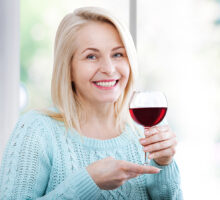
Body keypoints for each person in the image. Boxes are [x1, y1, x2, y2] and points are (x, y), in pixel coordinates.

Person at [0, 6, 183, 199]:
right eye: (91, 56)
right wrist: (89, 181)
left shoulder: (147, 129)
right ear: (68, 68)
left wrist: (164, 163)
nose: (109, 69)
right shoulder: (36, 130)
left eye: (118, 54)